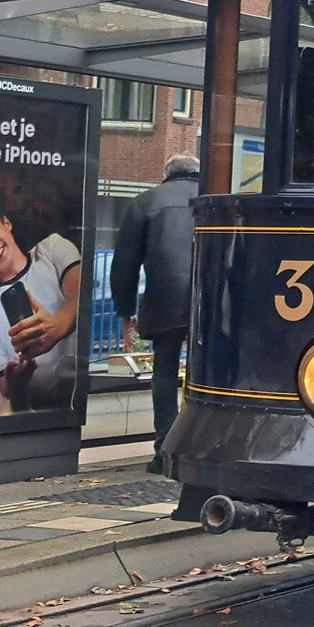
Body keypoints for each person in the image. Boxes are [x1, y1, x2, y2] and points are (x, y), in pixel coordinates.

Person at [111, 154, 200, 473]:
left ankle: (165, 449)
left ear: (166, 174)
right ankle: (200, 445)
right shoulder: (214, 197)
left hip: (165, 299)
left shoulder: (144, 202)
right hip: (211, 299)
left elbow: (124, 265)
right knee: (205, 373)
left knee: (164, 372)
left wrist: (125, 312)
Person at [0, 192, 81, 413]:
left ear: (7, 223)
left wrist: (57, 326)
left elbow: (80, 292)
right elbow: (8, 402)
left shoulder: (51, 249)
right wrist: (17, 385)